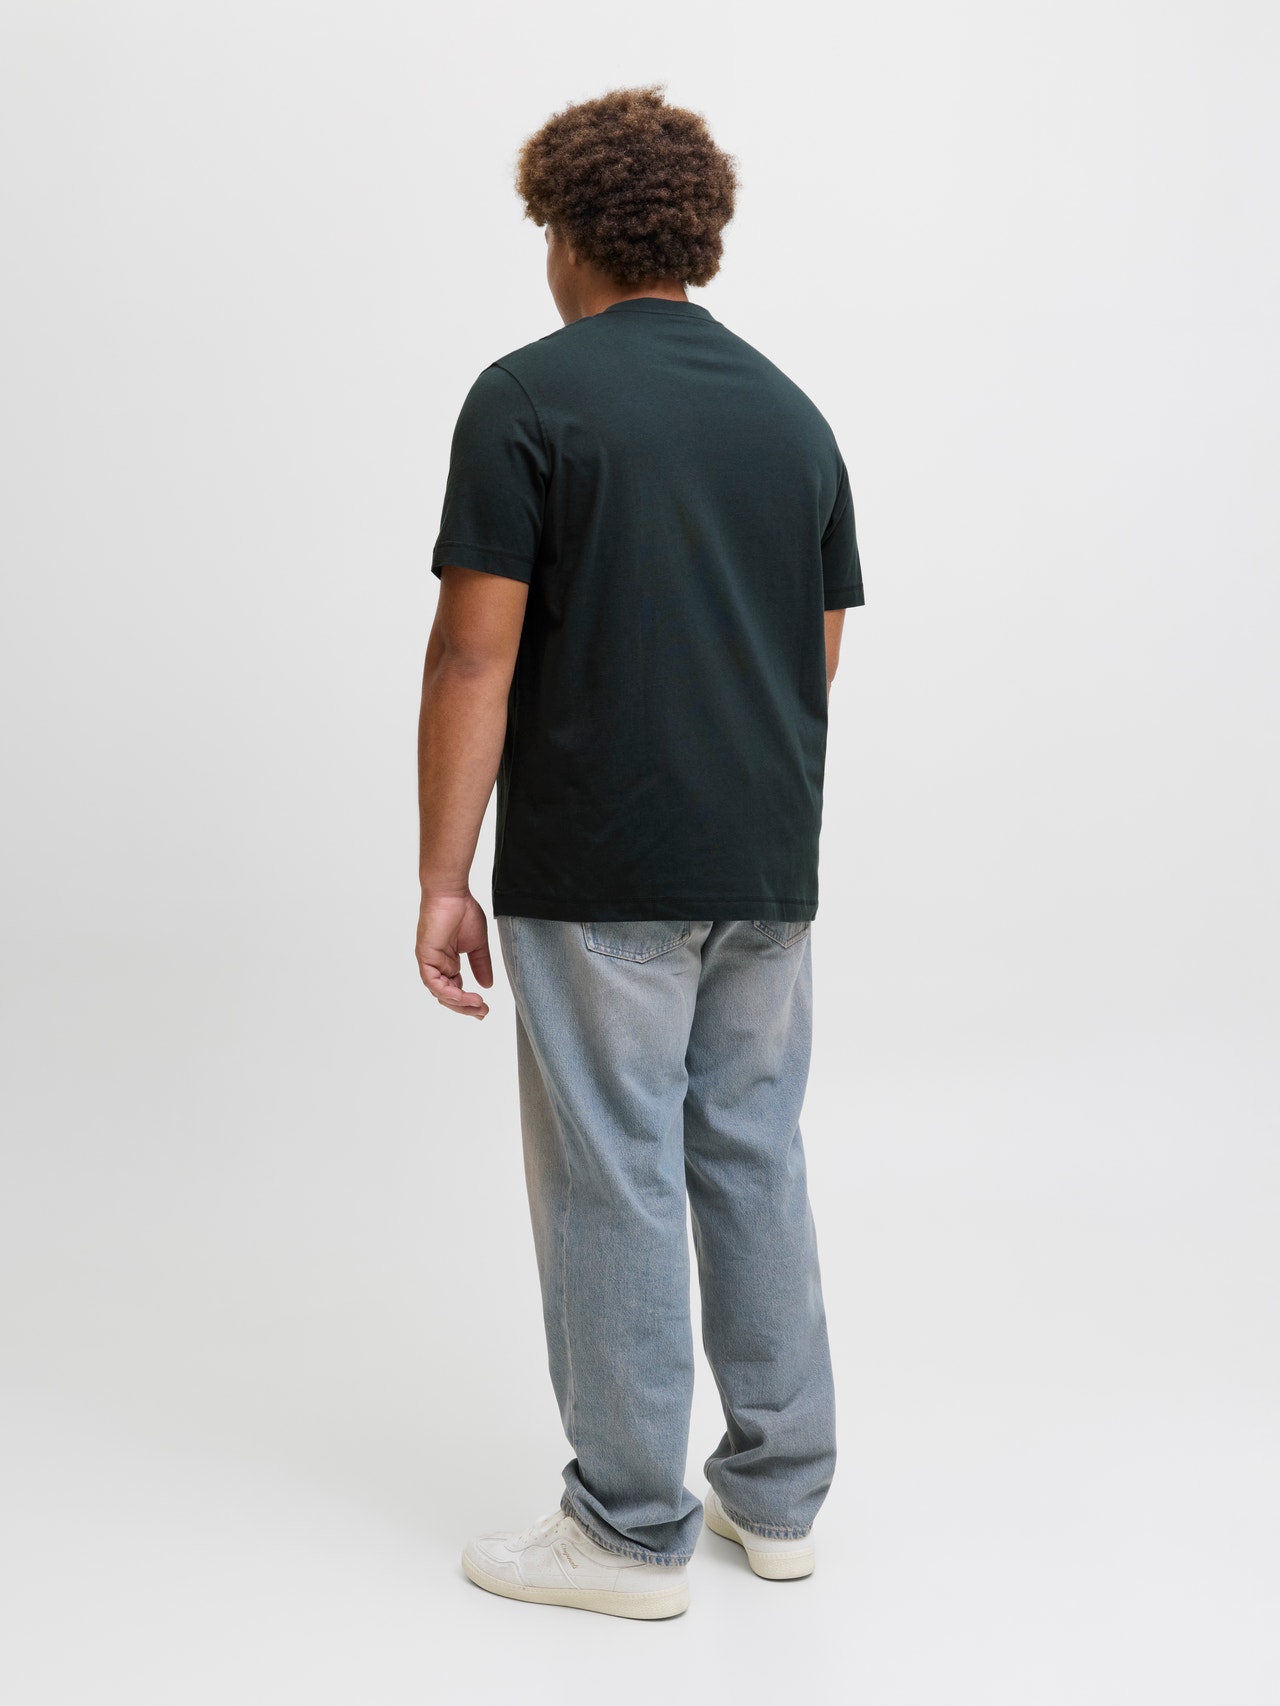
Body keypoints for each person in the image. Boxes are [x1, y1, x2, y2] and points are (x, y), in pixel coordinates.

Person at [416, 86, 863, 1619]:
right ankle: (779, 1499)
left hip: (601, 862)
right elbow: (816, 650)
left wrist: (443, 873)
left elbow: (472, 655)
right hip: (765, 864)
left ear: (567, 232)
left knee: (614, 1175)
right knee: (750, 1151)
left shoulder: (527, 398)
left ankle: (623, 1527)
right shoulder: (792, 415)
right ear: (695, 233)